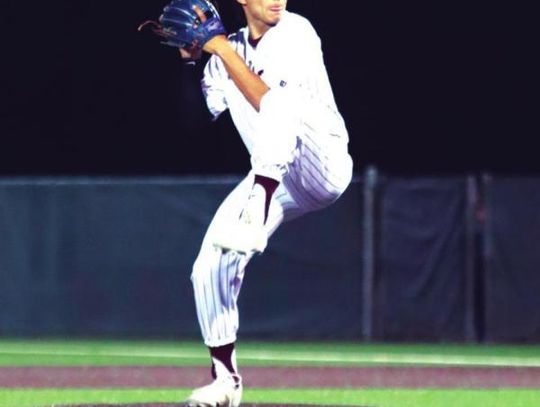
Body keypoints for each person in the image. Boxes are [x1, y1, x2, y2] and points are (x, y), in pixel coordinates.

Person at [184, 1, 353, 405]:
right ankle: (225, 379)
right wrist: (190, 61)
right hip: (276, 176)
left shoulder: (298, 31)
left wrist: (220, 48)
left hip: (321, 161)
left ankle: (257, 206)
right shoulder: (229, 50)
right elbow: (196, 118)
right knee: (209, 265)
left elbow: (267, 101)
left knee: (281, 102)